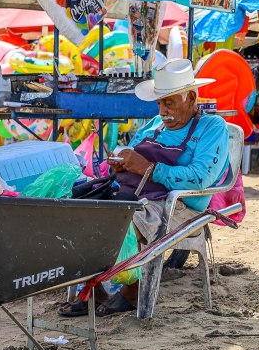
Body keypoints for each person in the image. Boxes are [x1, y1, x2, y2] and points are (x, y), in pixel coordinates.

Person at [59, 58, 231, 317]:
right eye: (160, 103)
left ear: (192, 98)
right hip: (137, 191)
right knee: (80, 209)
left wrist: (149, 168)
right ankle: (95, 291)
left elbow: (200, 178)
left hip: (179, 204)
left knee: (120, 218)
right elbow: (132, 155)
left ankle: (133, 291)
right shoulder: (154, 124)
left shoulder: (212, 127)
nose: (162, 110)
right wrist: (121, 163)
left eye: (169, 103)